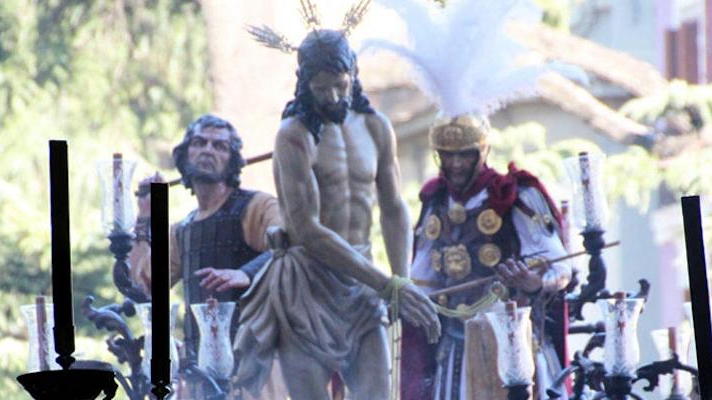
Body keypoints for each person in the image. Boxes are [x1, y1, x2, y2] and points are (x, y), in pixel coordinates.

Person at [362, 0, 583, 398]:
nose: (457, 165)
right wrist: (403, 295)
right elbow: (423, 273)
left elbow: (558, 264)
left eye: (464, 155)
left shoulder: (517, 194)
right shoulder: (433, 201)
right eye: (448, 156)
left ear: (482, 152)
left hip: (512, 338)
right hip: (453, 345)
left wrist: (535, 281)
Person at [233, 28, 441, 400]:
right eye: (320, 88)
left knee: (377, 394)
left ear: (354, 74)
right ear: (304, 84)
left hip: (362, 284)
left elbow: (393, 208)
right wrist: (386, 284)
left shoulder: (376, 127)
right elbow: (307, 230)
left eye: (340, 85)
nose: (332, 97)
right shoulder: (294, 136)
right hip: (307, 289)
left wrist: (401, 281)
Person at [128, 113, 286, 399]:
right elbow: (142, 285)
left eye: (219, 146)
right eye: (199, 143)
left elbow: (289, 245)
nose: (208, 150)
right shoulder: (182, 232)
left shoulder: (258, 207)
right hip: (199, 374)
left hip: (256, 368)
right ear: (186, 154)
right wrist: (144, 217)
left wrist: (246, 273)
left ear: (232, 160)